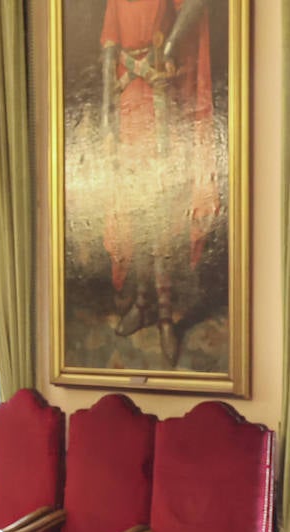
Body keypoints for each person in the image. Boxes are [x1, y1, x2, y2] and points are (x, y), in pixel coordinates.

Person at [99, 0, 217, 366]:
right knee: (137, 210)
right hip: (129, 99)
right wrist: (106, 112)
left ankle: (164, 314)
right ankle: (142, 303)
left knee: (162, 211)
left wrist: (165, 52)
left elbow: (193, 6)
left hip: (162, 94)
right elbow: (109, 50)